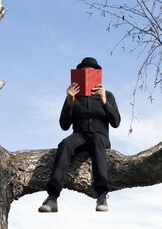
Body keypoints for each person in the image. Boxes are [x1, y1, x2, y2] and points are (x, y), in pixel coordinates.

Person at [38, 57, 121, 212]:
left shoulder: (107, 95)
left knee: (96, 140)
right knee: (64, 144)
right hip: (79, 136)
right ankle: (52, 197)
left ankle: (102, 194)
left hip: (100, 137)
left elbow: (116, 122)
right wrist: (70, 102)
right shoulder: (73, 95)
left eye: (90, 72)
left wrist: (104, 101)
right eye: (83, 73)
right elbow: (64, 125)